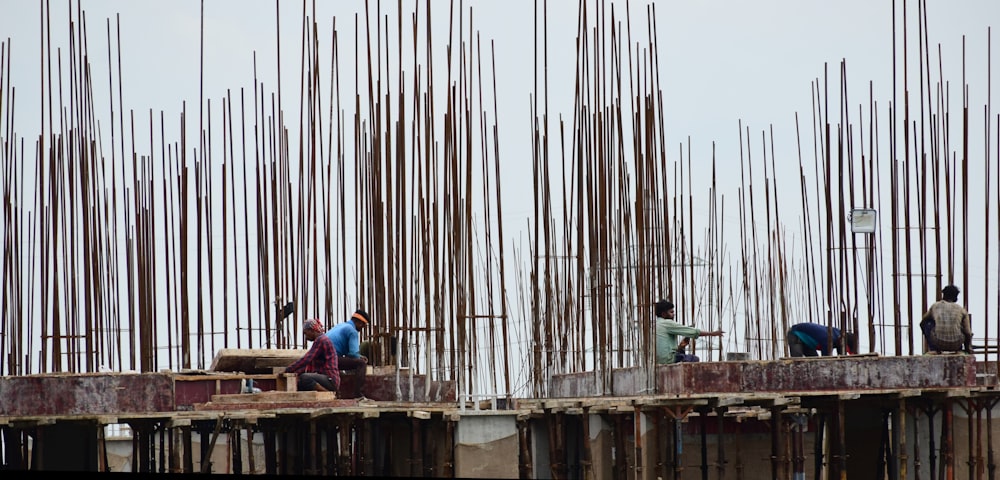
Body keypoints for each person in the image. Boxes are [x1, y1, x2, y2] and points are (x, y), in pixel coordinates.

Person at [654, 299, 724, 364]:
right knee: (694, 359)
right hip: (668, 359)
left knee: (681, 353)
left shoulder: (655, 325)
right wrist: (712, 333)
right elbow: (692, 332)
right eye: (671, 312)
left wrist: (680, 347)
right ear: (663, 314)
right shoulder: (666, 323)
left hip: (657, 361)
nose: (673, 314)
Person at [284, 318, 340, 392]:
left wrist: (288, 369)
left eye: (306, 333)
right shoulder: (322, 340)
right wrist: (295, 372)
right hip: (326, 378)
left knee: (305, 378)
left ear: (311, 330)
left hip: (330, 379)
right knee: (300, 383)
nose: (306, 337)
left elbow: (306, 359)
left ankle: (329, 393)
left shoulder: (321, 340)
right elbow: (308, 365)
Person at [326, 308, 370, 398]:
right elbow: (353, 354)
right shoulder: (352, 331)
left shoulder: (341, 326)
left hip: (325, 357)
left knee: (353, 361)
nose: (362, 328)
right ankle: (358, 395)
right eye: (363, 325)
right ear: (359, 322)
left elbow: (346, 351)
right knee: (361, 364)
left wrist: (358, 356)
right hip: (331, 359)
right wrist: (360, 358)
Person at [920, 284, 973, 354]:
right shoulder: (961, 310)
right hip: (956, 344)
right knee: (963, 326)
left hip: (938, 342)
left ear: (943, 295)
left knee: (927, 323)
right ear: (956, 297)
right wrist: (967, 348)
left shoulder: (935, 306)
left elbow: (922, 322)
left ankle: (933, 350)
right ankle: (959, 350)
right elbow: (968, 333)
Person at [786, 322, 856, 357]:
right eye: (848, 350)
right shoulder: (828, 339)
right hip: (795, 334)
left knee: (814, 362)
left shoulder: (838, 336)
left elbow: (841, 356)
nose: (846, 351)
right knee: (797, 361)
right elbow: (826, 359)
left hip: (809, 342)